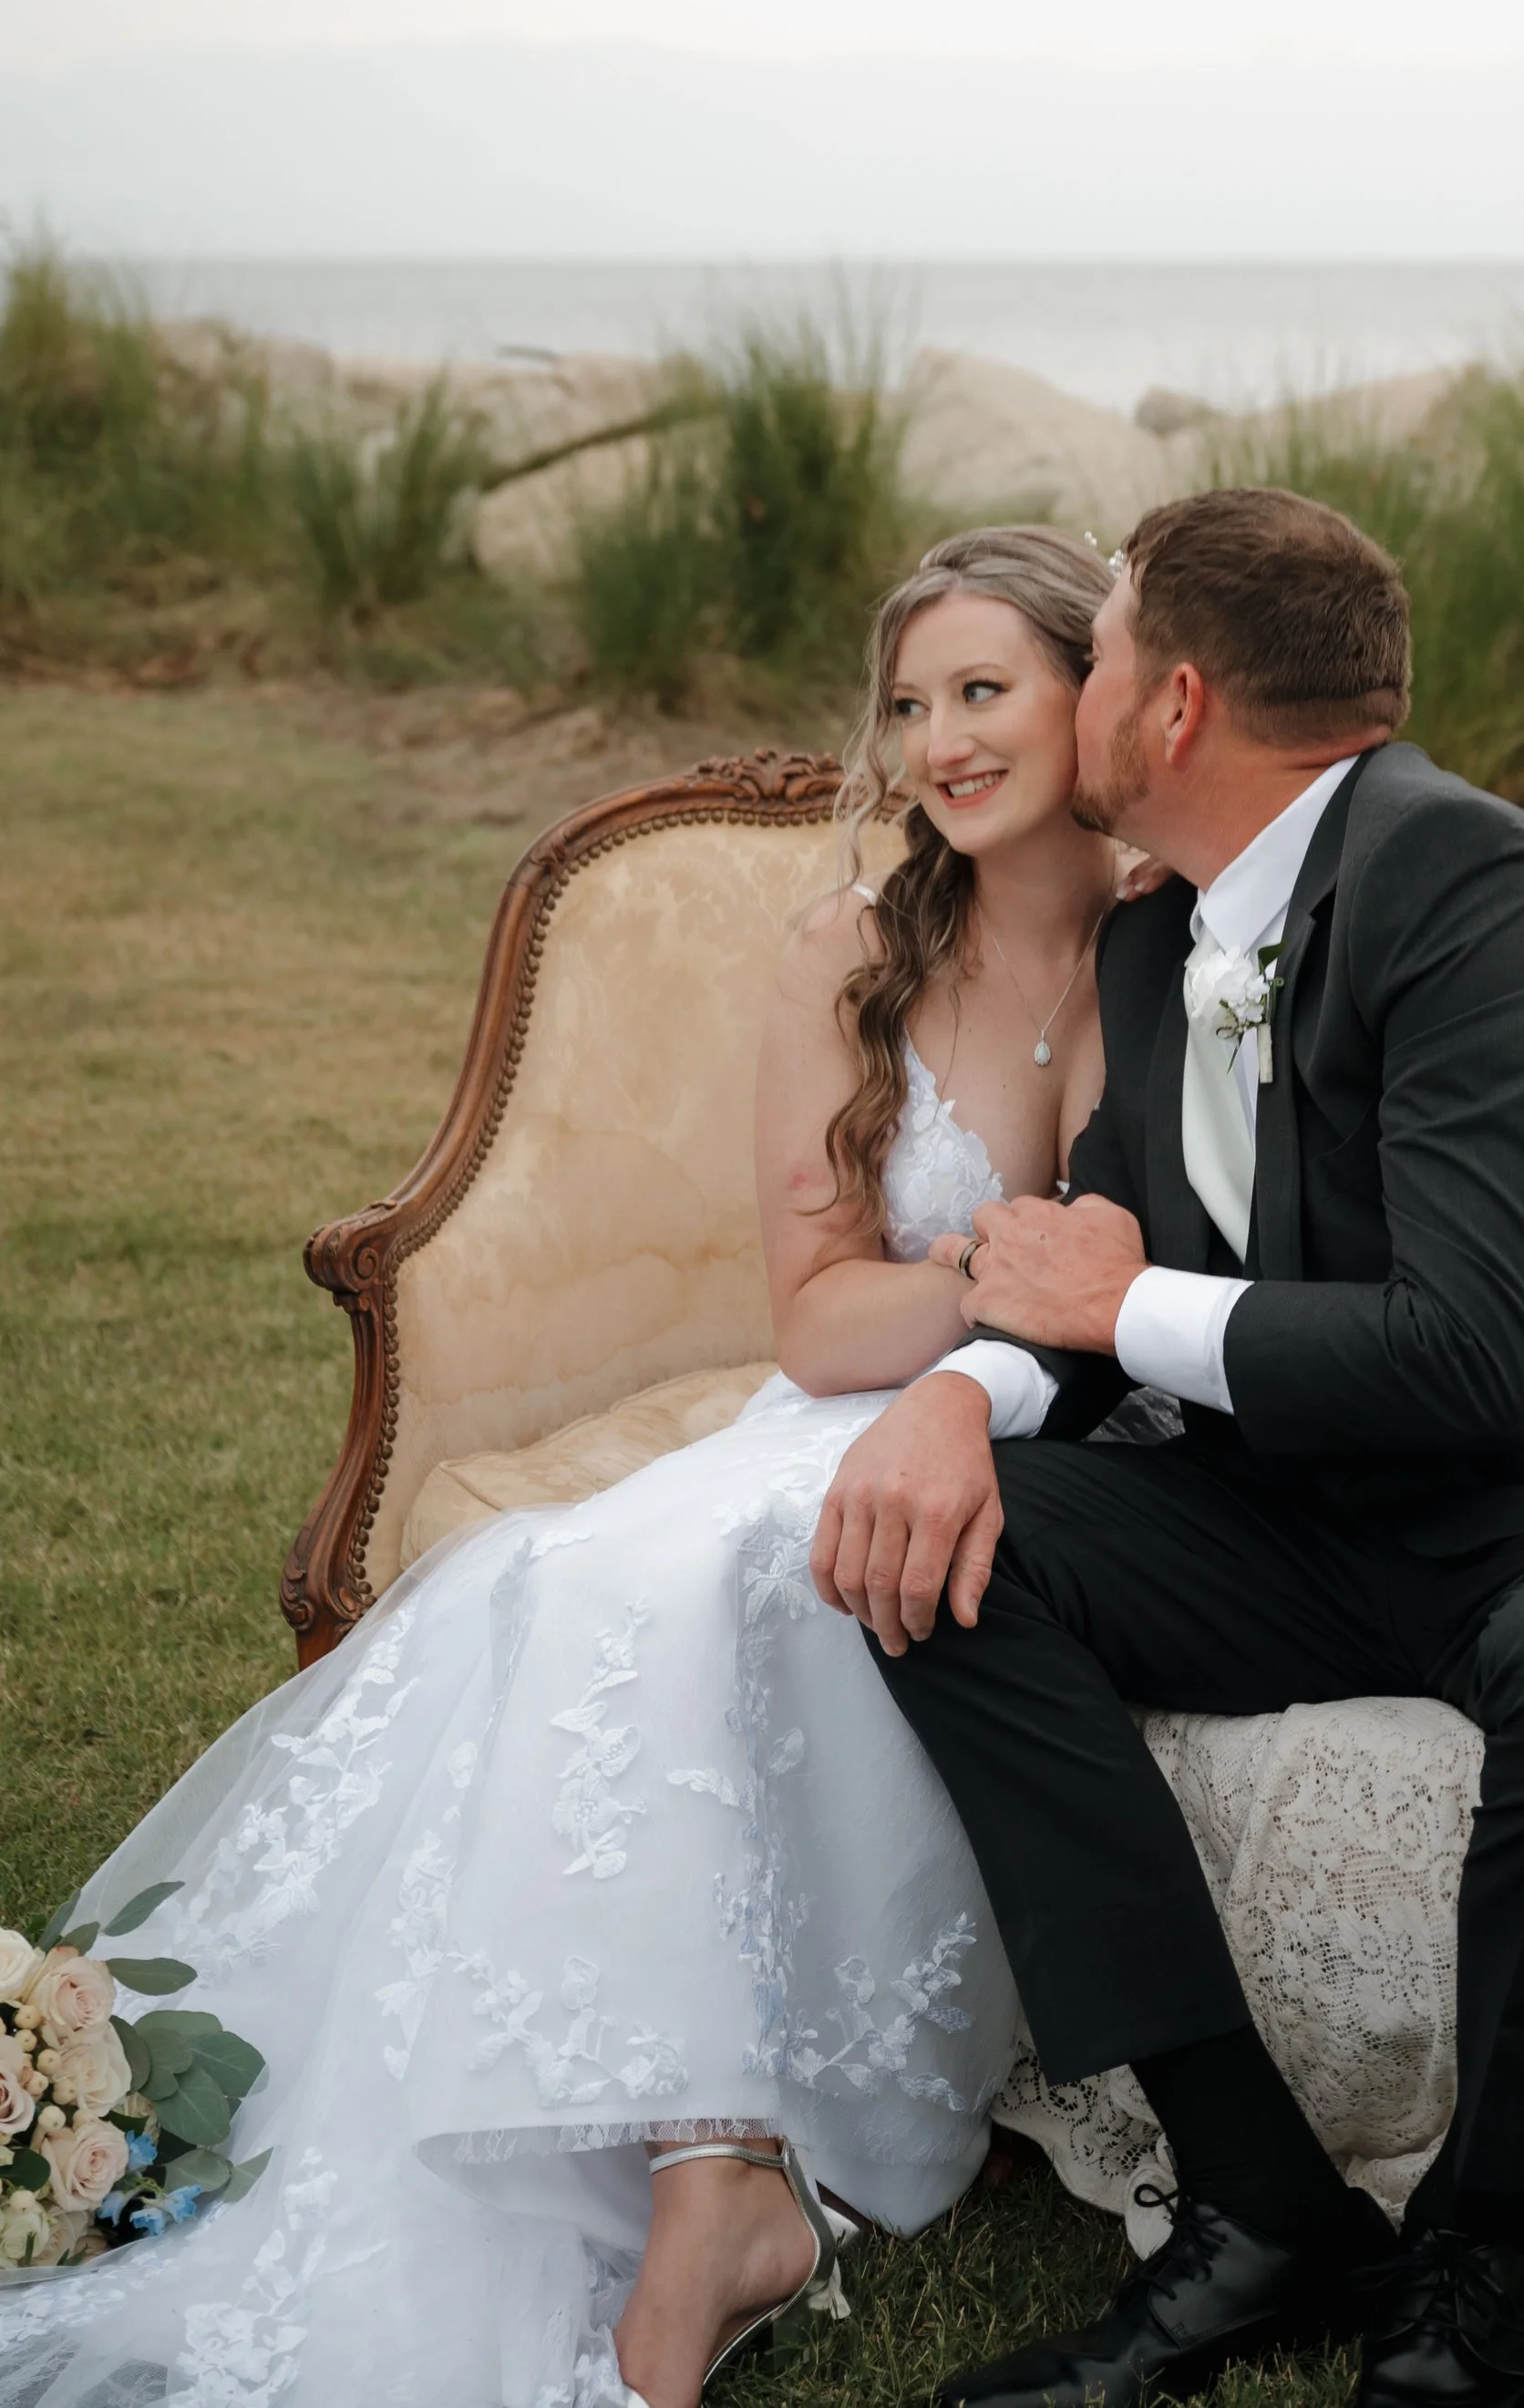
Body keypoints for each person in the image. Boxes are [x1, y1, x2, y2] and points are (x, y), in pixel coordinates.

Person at [0, 525, 1126, 2408]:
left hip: (1072, 1440)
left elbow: (1144, 1281)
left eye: (983, 691)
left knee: (728, 1576)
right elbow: (820, 1322)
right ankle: (711, 2162)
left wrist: (1026, 1311)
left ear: (1093, 693)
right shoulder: (849, 946)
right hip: (856, 1405)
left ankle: (723, 2195)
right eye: (911, 703)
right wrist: (985, 1270)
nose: (938, 739)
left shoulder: (1162, 933)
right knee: (569, 1575)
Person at [813, 487, 1524, 2408]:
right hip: (1325, 1509)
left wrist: (1097, 1316)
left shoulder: (1471, 887)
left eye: (1100, 653)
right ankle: (1252, 2205)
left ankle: (1471, 2247)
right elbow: (1097, 1270)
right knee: (946, 1550)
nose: (1077, 688)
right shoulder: (1165, 945)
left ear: (1177, 704)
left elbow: (1466, 1357)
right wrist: (959, 1403)